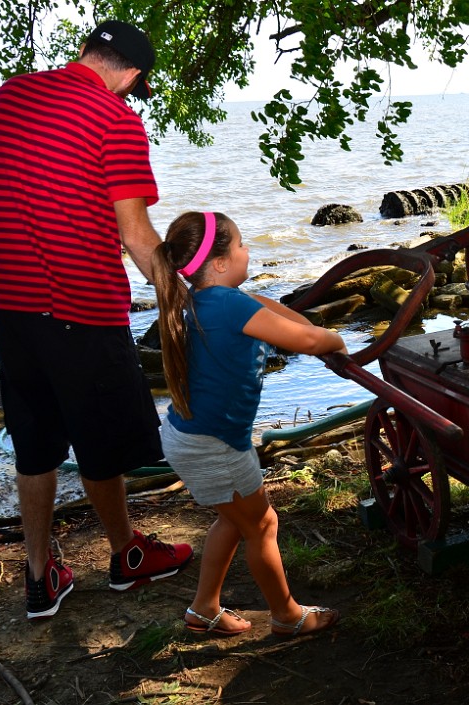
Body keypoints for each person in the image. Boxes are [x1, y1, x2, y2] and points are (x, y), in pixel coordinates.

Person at [0, 20, 193, 621]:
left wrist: (41, 193)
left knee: (35, 445)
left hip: (9, 305)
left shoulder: (6, 97)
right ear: (132, 74)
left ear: (89, 50)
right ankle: (126, 556)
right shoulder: (115, 118)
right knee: (102, 440)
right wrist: (182, 299)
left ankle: (40, 578)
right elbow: (138, 236)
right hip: (80, 306)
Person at [152, 211, 344, 638]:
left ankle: (203, 609)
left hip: (192, 436)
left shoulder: (204, 299)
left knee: (235, 521)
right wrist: (335, 339)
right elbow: (309, 341)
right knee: (262, 525)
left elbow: (274, 311)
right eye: (240, 245)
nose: (247, 251)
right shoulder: (227, 304)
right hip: (215, 445)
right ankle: (287, 615)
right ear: (219, 263)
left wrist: (306, 323)